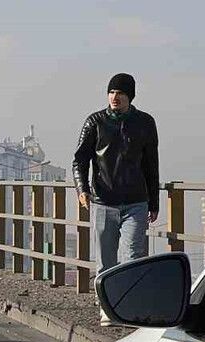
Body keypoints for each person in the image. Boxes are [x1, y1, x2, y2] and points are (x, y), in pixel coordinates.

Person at [72, 73, 160, 279]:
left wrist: (154, 202)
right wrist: (82, 189)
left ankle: (127, 306)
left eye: (120, 93)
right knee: (106, 262)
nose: (114, 97)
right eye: (111, 92)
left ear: (130, 96)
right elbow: (80, 160)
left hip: (136, 202)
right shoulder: (95, 122)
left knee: (133, 257)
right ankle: (105, 306)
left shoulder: (145, 122)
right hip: (104, 202)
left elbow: (151, 165)